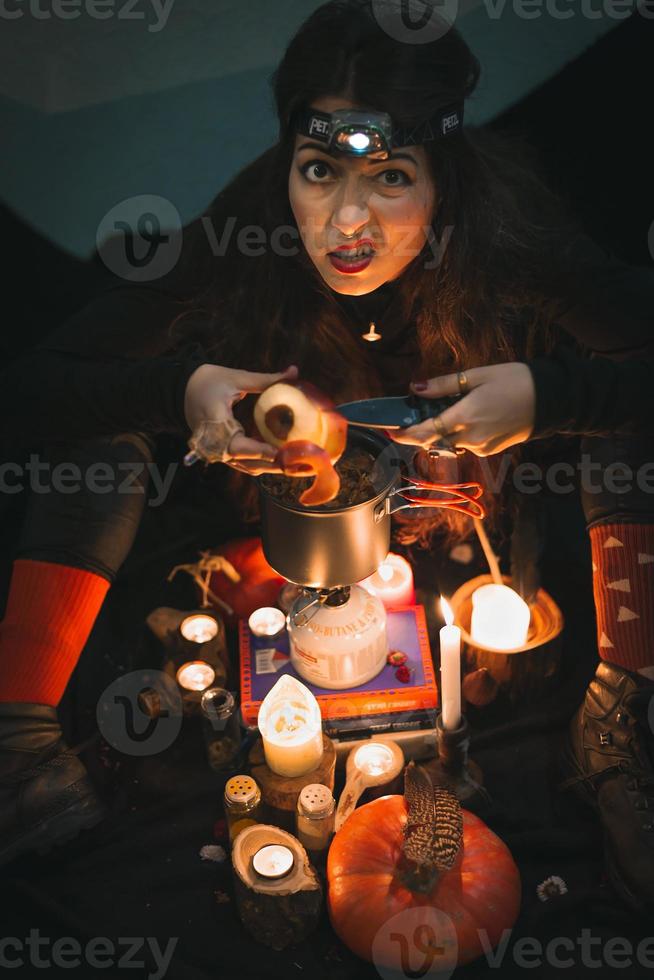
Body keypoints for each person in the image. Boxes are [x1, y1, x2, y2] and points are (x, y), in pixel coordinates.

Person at [1, 0, 653, 910]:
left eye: (390, 176)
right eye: (318, 171)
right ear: (288, 167)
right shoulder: (250, 221)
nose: (347, 222)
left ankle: (626, 705)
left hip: (468, 512)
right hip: (287, 524)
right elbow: (33, 388)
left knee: (623, 396)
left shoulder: (510, 236)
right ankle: (18, 737)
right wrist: (178, 393)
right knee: (101, 412)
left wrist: (554, 398)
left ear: (445, 177)